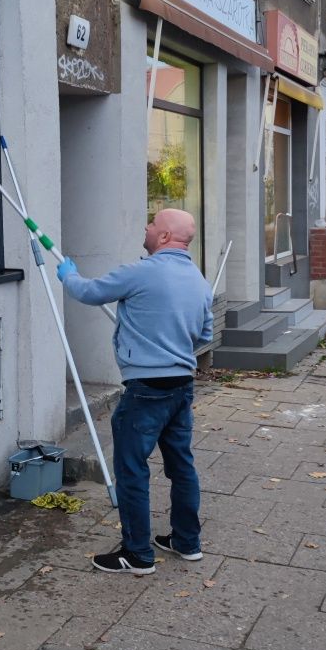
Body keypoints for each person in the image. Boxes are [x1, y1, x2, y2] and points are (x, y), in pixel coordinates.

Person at [57, 209, 213, 576]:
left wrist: (68, 274)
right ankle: (187, 542)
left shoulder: (142, 272)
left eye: (152, 223)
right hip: (181, 386)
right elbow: (204, 336)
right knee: (182, 466)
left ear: (163, 237)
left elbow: (90, 292)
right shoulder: (199, 281)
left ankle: (137, 554)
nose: (145, 226)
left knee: (130, 469)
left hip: (145, 390)